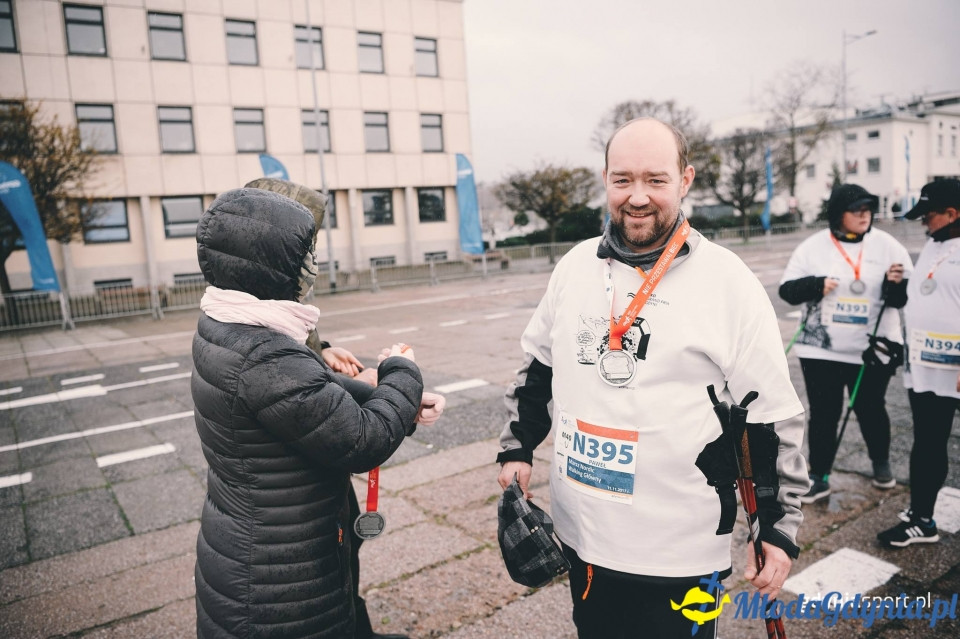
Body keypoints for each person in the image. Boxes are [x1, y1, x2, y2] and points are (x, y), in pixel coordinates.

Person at [496, 117, 808, 638]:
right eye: (623, 180)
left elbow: (769, 414)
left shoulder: (727, 282)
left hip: (678, 550)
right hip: (583, 535)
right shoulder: (573, 268)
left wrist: (777, 525)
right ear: (605, 179)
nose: (637, 197)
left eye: (655, 180)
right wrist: (517, 447)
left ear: (685, 180)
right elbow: (538, 369)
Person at [192, 186, 431, 639]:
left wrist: (383, 392)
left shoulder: (227, 324)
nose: (312, 266)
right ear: (268, 265)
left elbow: (306, 392)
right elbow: (362, 440)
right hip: (278, 581)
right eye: (303, 253)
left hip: (258, 547)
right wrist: (404, 371)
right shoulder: (265, 353)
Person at [779, 184, 913, 503]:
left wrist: (895, 285)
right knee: (824, 413)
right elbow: (787, 291)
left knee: (871, 409)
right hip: (820, 350)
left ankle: (880, 464)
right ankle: (819, 475)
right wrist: (815, 285)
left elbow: (901, 301)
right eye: (857, 210)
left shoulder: (888, 246)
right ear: (838, 215)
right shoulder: (813, 247)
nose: (864, 215)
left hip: (870, 350)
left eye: (868, 209)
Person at [878, 178, 960, 547]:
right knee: (928, 441)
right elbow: (921, 299)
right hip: (926, 366)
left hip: (955, 369)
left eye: (929, 215)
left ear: (952, 213)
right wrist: (897, 285)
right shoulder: (933, 244)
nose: (923, 223)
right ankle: (922, 517)